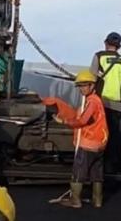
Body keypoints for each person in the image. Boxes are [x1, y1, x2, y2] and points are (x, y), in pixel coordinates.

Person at [50, 70, 108, 209]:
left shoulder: (92, 102)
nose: (82, 89)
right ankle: (97, 200)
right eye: (80, 86)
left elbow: (83, 120)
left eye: (84, 86)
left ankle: (75, 200)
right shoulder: (96, 101)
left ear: (92, 86)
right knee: (96, 173)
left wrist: (63, 121)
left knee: (78, 172)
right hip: (100, 143)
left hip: (88, 143)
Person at [89, 31, 121, 179]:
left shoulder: (99, 57)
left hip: (100, 104)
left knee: (98, 136)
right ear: (119, 46)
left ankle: (96, 170)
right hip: (118, 105)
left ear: (106, 43)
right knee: (115, 137)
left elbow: (91, 79)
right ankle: (113, 169)